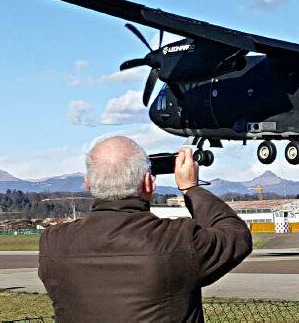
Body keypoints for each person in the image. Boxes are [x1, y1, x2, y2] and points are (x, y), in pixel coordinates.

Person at [39, 137, 252, 322]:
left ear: (88, 184)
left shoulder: (53, 243)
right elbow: (236, 235)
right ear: (149, 184)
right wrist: (191, 188)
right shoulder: (178, 240)